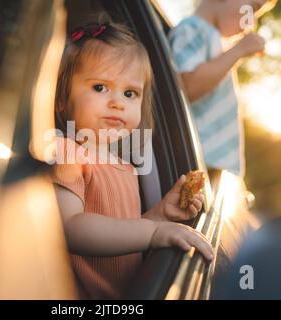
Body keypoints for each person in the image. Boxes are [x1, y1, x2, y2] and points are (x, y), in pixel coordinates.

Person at [50, 22, 213, 300]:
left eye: (130, 93)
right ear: (62, 98)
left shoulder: (126, 166)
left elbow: (121, 232)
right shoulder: (66, 152)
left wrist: (159, 215)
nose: (118, 103)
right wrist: (152, 232)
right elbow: (72, 227)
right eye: (100, 87)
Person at [169, 0, 277, 176]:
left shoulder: (213, 39)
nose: (252, 22)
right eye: (252, 9)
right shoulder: (191, 30)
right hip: (199, 162)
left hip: (214, 165)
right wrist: (238, 50)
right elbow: (187, 87)